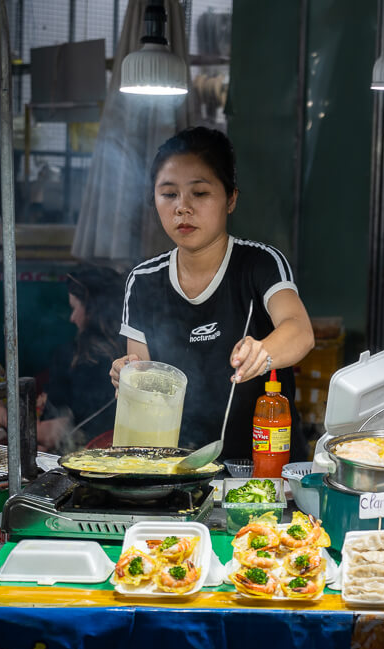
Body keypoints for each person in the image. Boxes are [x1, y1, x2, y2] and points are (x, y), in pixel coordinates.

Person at [110, 127, 314, 460]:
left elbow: (300, 331)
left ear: (230, 198)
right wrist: (127, 375)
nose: (182, 208)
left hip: (263, 473)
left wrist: (261, 352)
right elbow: (144, 376)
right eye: (168, 194)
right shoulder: (144, 281)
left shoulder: (260, 264)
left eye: (200, 193)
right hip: (178, 476)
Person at [0, 267, 125, 452]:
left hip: (83, 461)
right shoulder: (128, 352)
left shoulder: (74, 357)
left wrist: (0, 415)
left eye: (74, 309)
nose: (72, 318)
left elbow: (54, 433)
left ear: (92, 310)